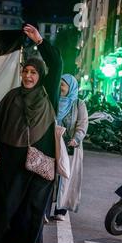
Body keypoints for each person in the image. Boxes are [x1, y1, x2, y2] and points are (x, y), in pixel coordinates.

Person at [0, 24, 62, 243]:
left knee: (34, 211)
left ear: (41, 75)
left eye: (34, 72)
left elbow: (56, 64)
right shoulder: (11, 97)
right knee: (10, 209)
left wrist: (39, 41)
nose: (29, 76)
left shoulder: (48, 94)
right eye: (26, 71)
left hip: (40, 163)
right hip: (12, 162)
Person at [53, 74, 88, 220]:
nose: (60, 87)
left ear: (71, 87)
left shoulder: (78, 104)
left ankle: (61, 210)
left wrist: (76, 138)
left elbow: (82, 123)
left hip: (69, 146)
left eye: (63, 85)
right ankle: (44, 208)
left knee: (65, 178)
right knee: (49, 176)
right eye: (59, 84)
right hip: (53, 144)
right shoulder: (53, 101)